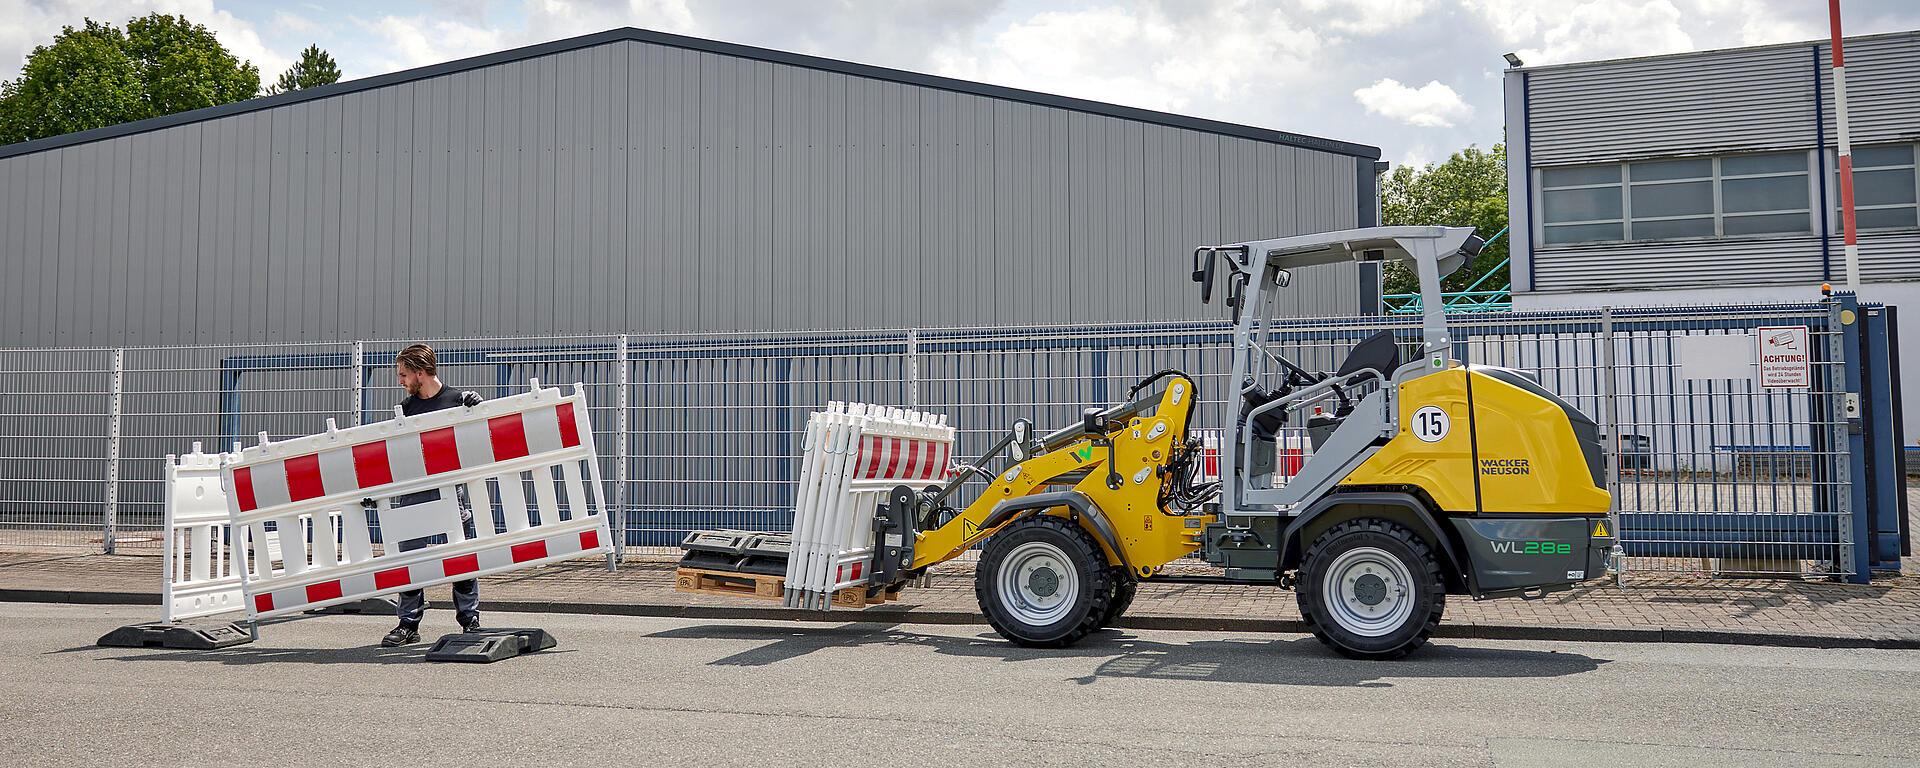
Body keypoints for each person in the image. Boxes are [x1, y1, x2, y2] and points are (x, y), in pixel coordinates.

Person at [380, 343, 486, 647]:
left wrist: (475, 406)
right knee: (411, 555)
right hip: (414, 490)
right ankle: (408, 624)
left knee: (461, 555)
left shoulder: (457, 399)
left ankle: (470, 620)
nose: (400, 380)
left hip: (451, 491)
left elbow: (479, 431)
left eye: (403, 374)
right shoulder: (407, 408)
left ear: (419, 372)